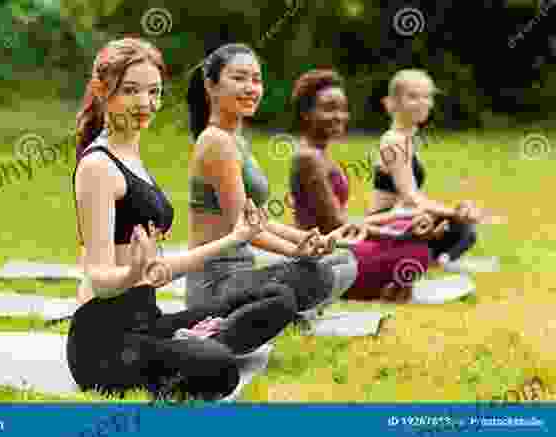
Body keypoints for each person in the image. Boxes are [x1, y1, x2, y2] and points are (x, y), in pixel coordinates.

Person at [67, 38, 298, 402]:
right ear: (101, 91)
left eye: (154, 92)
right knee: (219, 368)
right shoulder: (98, 166)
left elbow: (158, 270)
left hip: (147, 321)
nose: (145, 103)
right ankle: (194, 345)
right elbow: (98, 276)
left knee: (277, 296)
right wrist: (131, 274)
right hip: (105, 345)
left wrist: (234, 236)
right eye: (130, 90)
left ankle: (189, 341)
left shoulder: (130, 153)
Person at [185, 43, 360, 312]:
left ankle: (283, 312)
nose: (250, 87)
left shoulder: (236, 141)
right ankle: (283, 313)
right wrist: (295, 252)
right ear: (211, 85)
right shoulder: (215, 142)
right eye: (239, 78)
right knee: (316, 275)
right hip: (216, 284)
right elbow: (242, 228)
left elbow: (260, 219)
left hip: (242, 275)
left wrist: (305, 239)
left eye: (256, 79)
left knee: (342, 261)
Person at [289, 68, 435, 302]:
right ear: (306, 113)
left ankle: (379, 285)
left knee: (410, 230)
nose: (339, 116)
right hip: (324, 255)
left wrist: (398, 223)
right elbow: (336, 224)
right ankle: (370, 286)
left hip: (340, 244)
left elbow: (346, 220)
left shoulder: (320, 154)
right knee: (414, 250)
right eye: (329, 109)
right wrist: (395, 234)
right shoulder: (308, 159)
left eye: (343, 109)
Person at [369, 69, 482, 266]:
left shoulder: (407, 140)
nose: (423, 102)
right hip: (387, 220)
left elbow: (415, 200)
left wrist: (454, 212)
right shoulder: (394, 141)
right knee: (460, 228)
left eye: (427, 96)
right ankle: (428, 259)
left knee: (461, 229)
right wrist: (454, 212)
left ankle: (434, 260)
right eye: (413, 97)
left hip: (405, 215)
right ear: (393, 103)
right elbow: (410, 198)